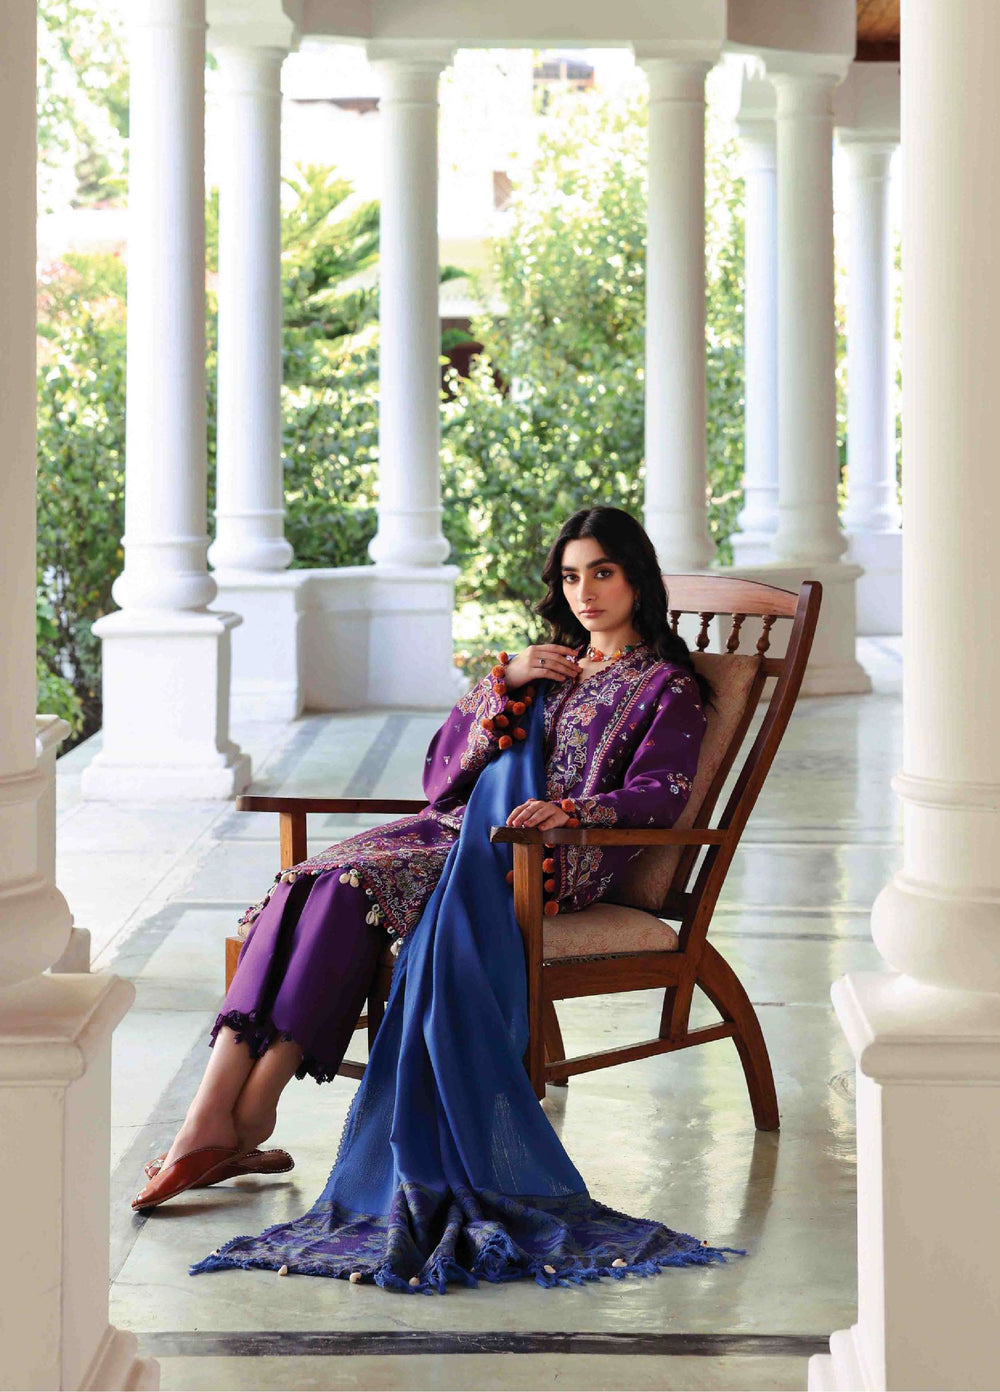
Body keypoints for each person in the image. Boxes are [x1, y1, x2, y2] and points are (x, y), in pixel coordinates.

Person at [134, 506, 741, 1293]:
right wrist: (506, 682)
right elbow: (440, 778)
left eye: (603, 572)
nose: (584, 592)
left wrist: (573, 811)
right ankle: (224, 1115)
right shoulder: (542, 668)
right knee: (306, 884)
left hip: (533, 860)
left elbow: (661, 794)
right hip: (455, 831)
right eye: (570, 576)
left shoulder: (666, 687)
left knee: (349, 885)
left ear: (637, 579)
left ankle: (230, 1120)